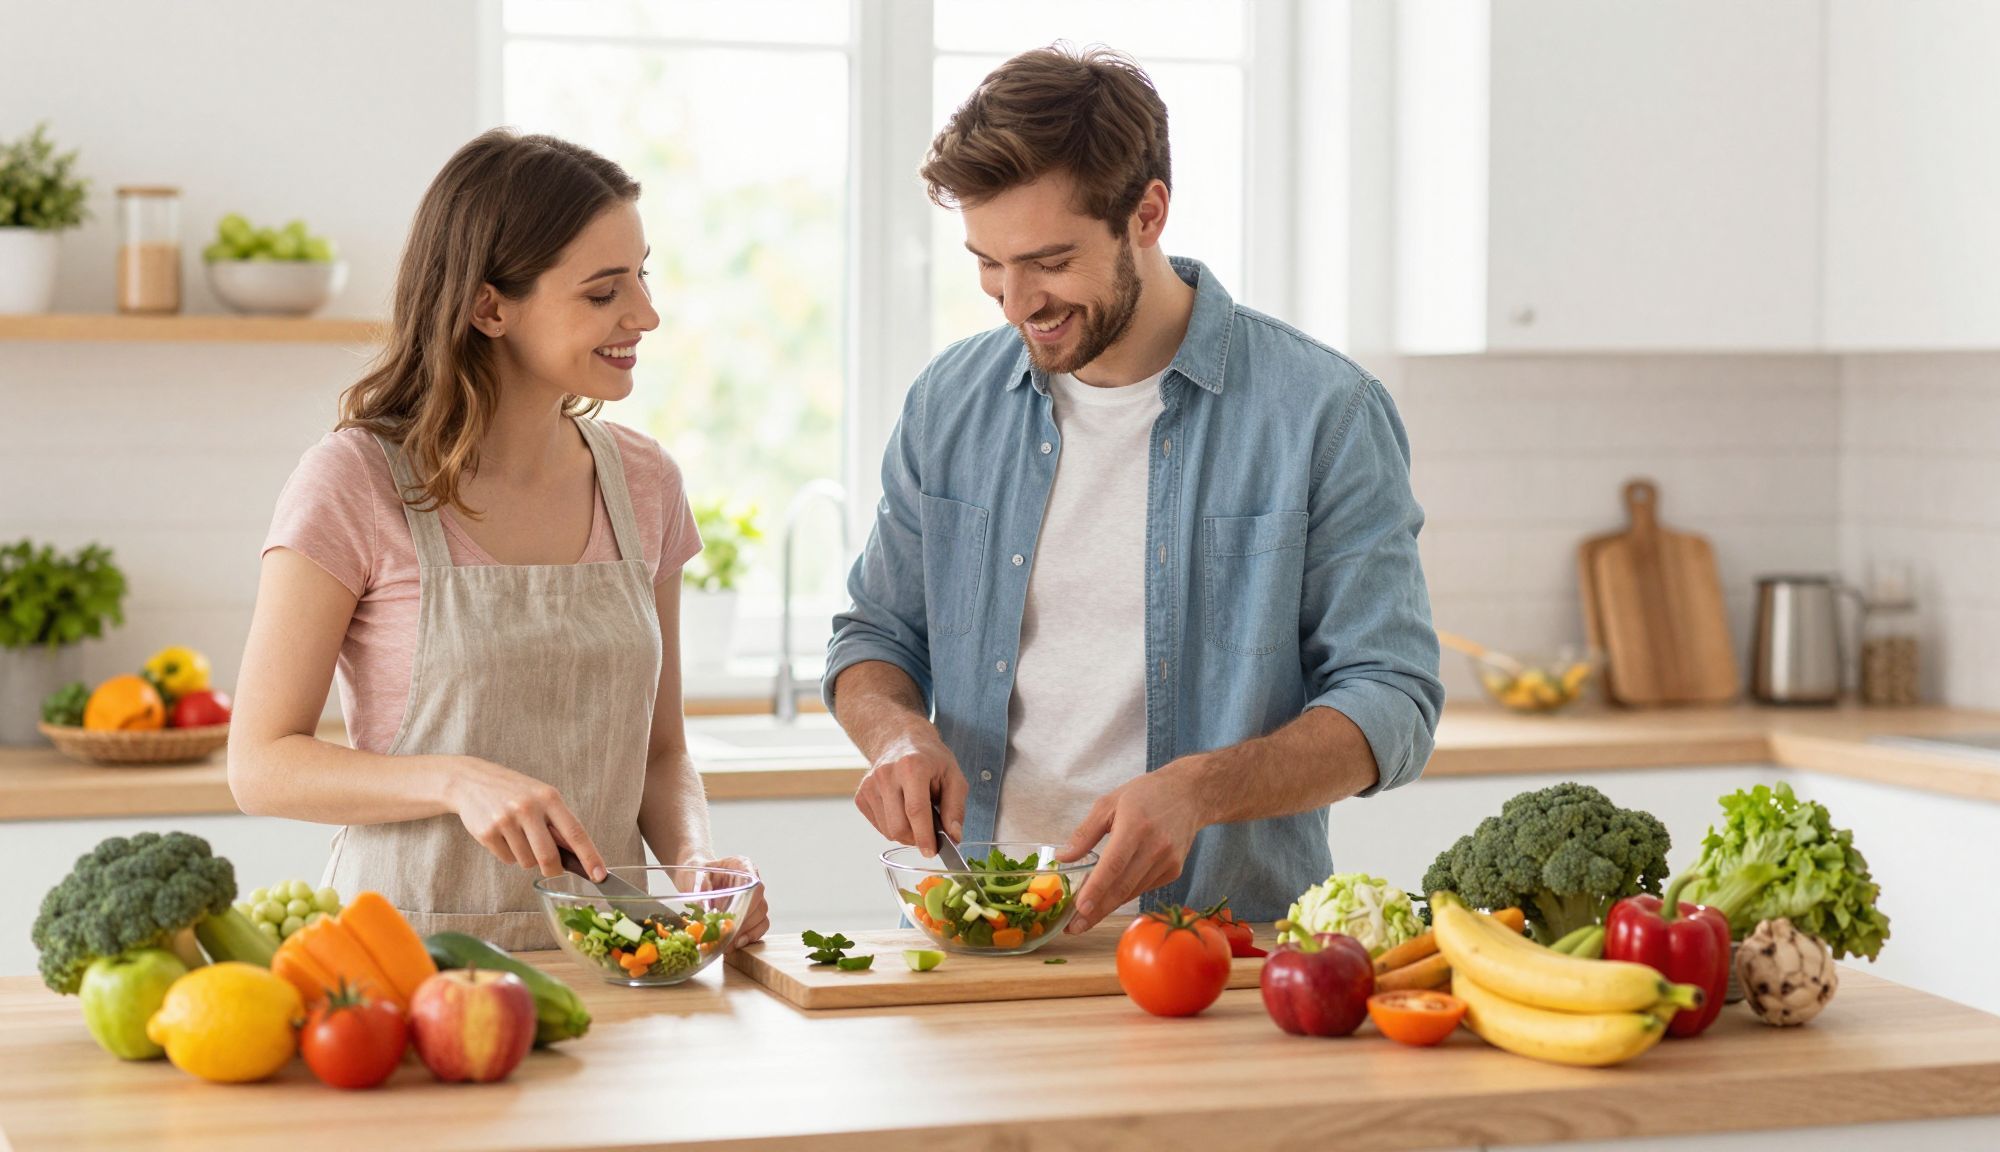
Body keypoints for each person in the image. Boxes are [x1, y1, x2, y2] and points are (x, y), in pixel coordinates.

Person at [827, 46, 1442, 935]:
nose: (1015, 303)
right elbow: (876, 636)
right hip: (984, 931)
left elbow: (1392, 698)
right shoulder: (950, 403)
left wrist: (1200, 791)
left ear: (1146, 213)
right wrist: (895, 732)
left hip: (1222, 946)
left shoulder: (1324, 414)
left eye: (1048, 261)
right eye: (988, 264)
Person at [228, 129, 768, 951]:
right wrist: (454, 780)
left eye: (642, 276)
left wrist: (693, 864)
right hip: (399, 961)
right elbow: (261, 763)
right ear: (489, 307)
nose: (645, 315)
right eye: (602, 293)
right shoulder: (355, 482)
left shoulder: (645, 485)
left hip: (612, 956)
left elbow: (660, 754)